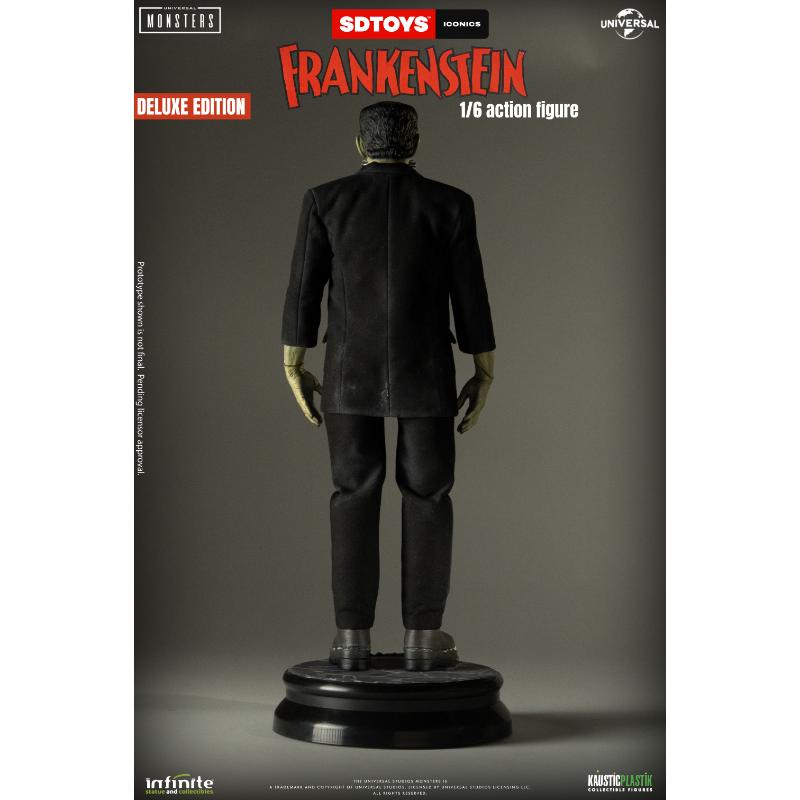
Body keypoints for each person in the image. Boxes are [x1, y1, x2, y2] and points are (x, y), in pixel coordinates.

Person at [281, 101, 496, 671]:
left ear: (360, 145)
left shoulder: (326, 200)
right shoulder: (450, 203)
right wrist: (484, 367)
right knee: (428, 494)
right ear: (416, 143)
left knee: (352, 492)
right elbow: (469, 291)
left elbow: (304, 287)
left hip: (347, 370)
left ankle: (350, 637)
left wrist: (293, 361)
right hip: (426, 370)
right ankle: (423, 636)